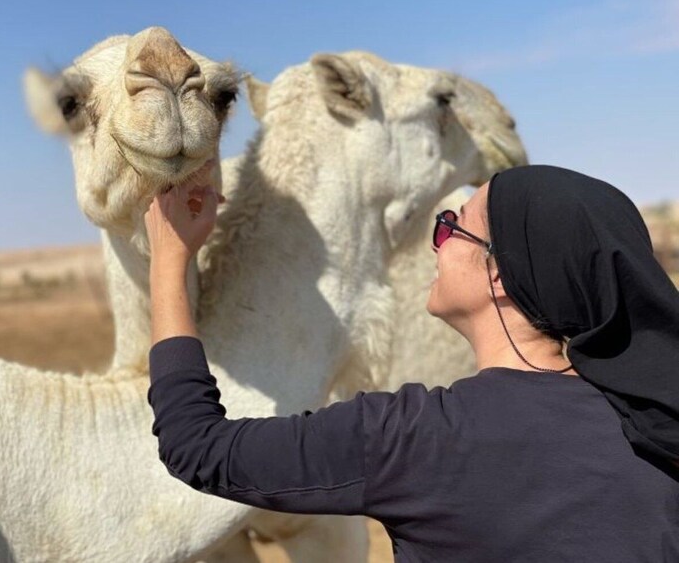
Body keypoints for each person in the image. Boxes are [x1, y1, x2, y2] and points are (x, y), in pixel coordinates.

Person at [143, 165, 679, 562]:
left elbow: (196, 446)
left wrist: (169, 259)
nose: (435, 246)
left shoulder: (413, 438)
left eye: (452, 227)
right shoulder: (656, 430)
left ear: (500, 274)